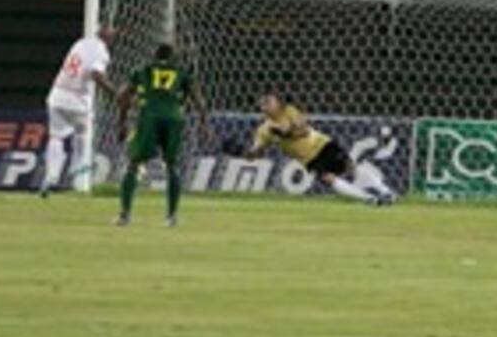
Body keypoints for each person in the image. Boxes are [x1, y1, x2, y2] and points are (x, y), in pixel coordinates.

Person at [239, 92, 395, 205]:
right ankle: (368, 199)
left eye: (268, 101)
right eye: (262, 103)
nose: (265, 105)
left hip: (321, 144)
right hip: (308, 158)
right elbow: (256, 154)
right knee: (327, 178)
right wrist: (243, 153)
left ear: (278, 103)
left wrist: (285, 132)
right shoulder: (263, 130)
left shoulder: (290, 111)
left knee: (350, 167)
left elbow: (304, 130)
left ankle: (386, 192)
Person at [115, 43, 207, 228]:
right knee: (172, 165)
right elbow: (199, 100)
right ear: (173, 57)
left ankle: (125, 215)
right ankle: (172, 217)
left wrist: (122, 122)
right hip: (175, 118)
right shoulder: (182, 72)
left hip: (149, 116)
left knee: (134, 163)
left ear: (154, 55)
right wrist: (203, 124)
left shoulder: (142, 70)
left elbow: (122, 95)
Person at [41, 26, 117, 196]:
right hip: (78, 99)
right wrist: (115, 93)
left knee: (56, 137)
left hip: (57, 94)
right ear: (107, 38)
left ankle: (51, 177)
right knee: (83, 131)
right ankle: (77, 165)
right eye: (112, 36)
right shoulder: (101, 52)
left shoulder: (80, 43)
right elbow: (97, 74)